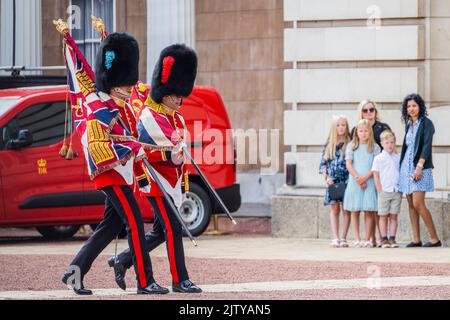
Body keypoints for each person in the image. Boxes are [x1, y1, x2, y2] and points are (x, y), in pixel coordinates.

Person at [60, 32, 168, 295]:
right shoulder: (98, 105)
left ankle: (74, 272)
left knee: (110, 226)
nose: (131, 86)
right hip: (108, 172)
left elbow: (135, 134)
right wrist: (133, 147)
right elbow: (97, 142)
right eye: (126, 82)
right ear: (114, 82)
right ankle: (145, 281)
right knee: (133, 222)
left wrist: (157, 143)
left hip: (121, 172)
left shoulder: (123, 105)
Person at [108, 44, 202, 293]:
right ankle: (180, 279)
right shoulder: (149, 116)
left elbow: (179, 149)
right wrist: (174, 152)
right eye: (175, 94)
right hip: (156, 181)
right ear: (165, 93)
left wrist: (179, 153)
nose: (180, 99)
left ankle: (124, 260)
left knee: (160, 232)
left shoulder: (177, 118)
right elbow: (148, 151)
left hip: (173, 182)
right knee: (173, 228)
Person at [398, 93, 441, 247]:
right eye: (408, 106)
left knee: (418, 203)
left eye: (414, 105)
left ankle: (434, 239)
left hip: (420, 168)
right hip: (406, 168)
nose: (411, 108)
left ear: (420, 107)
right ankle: (416, 239)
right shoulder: (409, 125)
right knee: (410, 203)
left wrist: (419, 166)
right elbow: (407, 148)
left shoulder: (426, 123)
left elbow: (426, 145)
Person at [343, 119, 380, 247]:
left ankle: (367, 239)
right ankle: (357, 238)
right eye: (361, 131)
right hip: (355, 182)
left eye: (366, 131)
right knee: (355, 210)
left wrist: (365, 178)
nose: (363, 133)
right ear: (357, 132)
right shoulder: (352, 146)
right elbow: (348, 164)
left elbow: (376, 166)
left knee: (368, 210)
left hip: (369, 182)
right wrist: (358, 178)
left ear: (370, 132)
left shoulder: (375, 147)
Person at [319, 115, 352, 248]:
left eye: (343, 125)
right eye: (338, 125)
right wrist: (326, 178)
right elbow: (323, 165)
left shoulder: (350, 143)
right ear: (334, 127)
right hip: (332, 182)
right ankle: (335, 237)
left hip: (347, 181)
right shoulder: (329, 144)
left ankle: (344, 237)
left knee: (346, 210)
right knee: (334, 209)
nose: (341, 127)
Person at [372, 131, 401, 248]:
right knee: (383, 216)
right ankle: (384, 239)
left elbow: (400, 173)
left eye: (392, 142)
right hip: (384, 191)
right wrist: (379, 189)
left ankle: (392, 238)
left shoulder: (398, 157)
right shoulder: (378, 158)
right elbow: (375, 174)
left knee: (393, 216)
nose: (390, 145)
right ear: (382, 143)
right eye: (387, 142)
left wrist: (400, 189)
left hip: (396, 191)